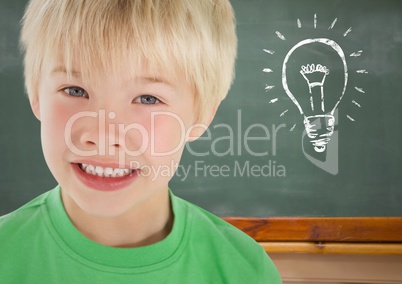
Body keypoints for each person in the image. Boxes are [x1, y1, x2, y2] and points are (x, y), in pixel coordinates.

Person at [0, 0, 282, 283]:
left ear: (201, 116)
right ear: (36, 96)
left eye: (148, 98)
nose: (103, 136)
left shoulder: (244, 270)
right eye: (74, 90)